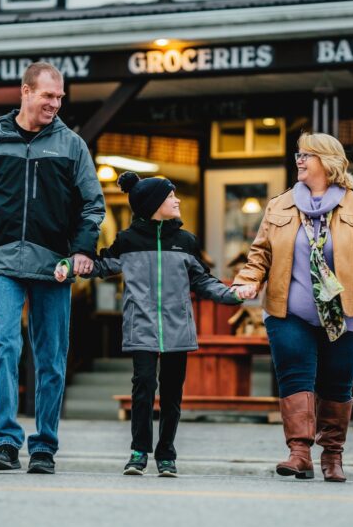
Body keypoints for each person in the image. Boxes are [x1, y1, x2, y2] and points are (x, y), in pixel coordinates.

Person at [0, 61, 104, 475]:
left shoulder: (71, 146)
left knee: (51, 356)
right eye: (48, 95)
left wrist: (82, 249)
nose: (55, 104)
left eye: (60, 97)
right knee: (3, 343)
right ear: (25, 92)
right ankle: (6, 441)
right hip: (2, 261)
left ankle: (44, 445)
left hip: (54, 264)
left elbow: (92, 206)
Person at [232, 133, 353, 482]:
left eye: (307, 155)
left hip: (346, 311)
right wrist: (247, 280)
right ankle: (299, 453)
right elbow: (260, 253)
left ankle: (333, 456)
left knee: (337, 384)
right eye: (298, 154)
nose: (299, 160)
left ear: (328, 161)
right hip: (289, 311)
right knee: (295, 377)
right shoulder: (280, 204)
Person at [56, 171, 241, 477]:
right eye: (171, 196)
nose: (177, 200)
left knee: (172, 394)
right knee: (143, 389)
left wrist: (233, 295)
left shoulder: (185, 241)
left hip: (177, 329)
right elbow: (100, 265)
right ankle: (139, 452)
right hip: (140, 327)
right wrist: (69, 266)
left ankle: (166, 454)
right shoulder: (128, 241)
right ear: (154, 204)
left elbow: (204, 281)